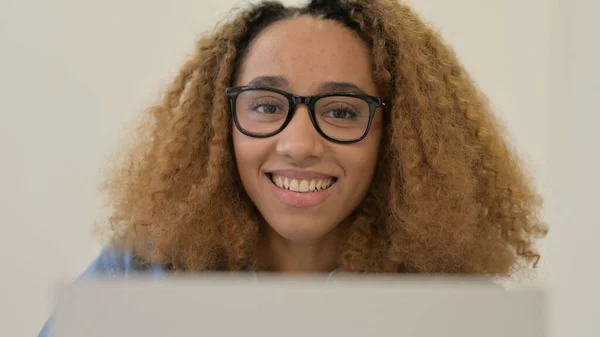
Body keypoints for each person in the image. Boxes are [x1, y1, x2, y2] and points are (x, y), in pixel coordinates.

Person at [38, 0, 548, 335]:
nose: (298, 144)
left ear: (396, 137)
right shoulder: (134, 276)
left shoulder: (462, 315)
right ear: (221, 124)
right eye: (265, 105)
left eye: (342, 111)